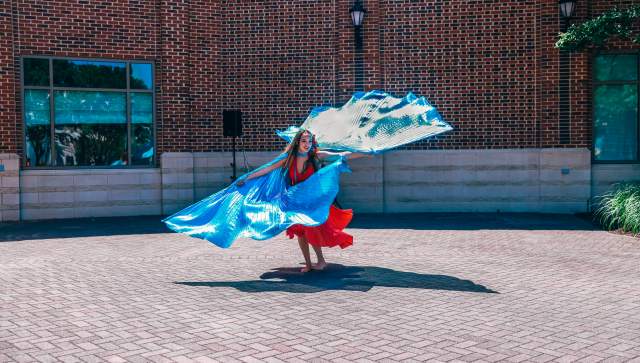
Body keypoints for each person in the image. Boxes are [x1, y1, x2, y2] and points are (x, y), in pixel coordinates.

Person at [237, 129, 367, 272]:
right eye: (304, 141)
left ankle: (321, 261)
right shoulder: (289, 158)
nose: (307, 144)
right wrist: (247, 178)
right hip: (295, 201)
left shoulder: (316, 156)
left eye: (309, 141)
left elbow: (342, 155)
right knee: (301, 232)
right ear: (297, 141)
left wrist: (369, 152)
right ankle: (309, 264)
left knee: (312, 228)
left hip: (310, 201)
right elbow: (268, 169)